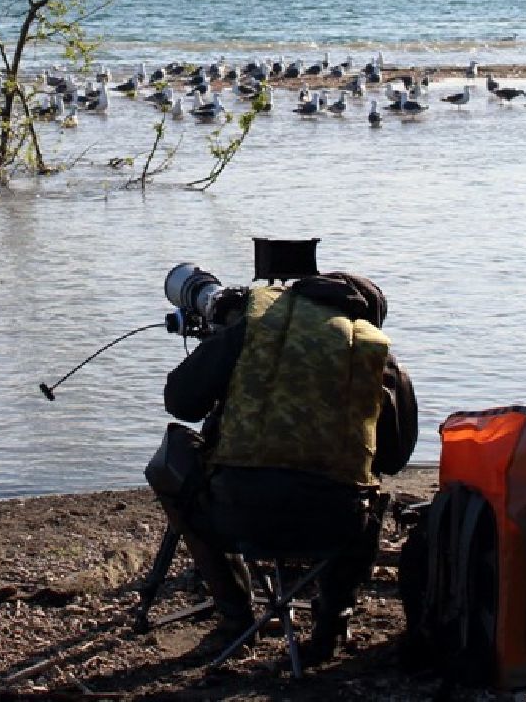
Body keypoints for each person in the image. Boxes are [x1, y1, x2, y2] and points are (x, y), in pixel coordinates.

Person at [145, 271, 417, 665]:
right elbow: (394, 459)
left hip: (234, 518)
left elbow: (181, 402)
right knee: (366, 489)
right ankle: (330, 624)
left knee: (170, 455)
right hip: (334, 530)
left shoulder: (256, 328)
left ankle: (236, 615)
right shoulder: (377, 355)